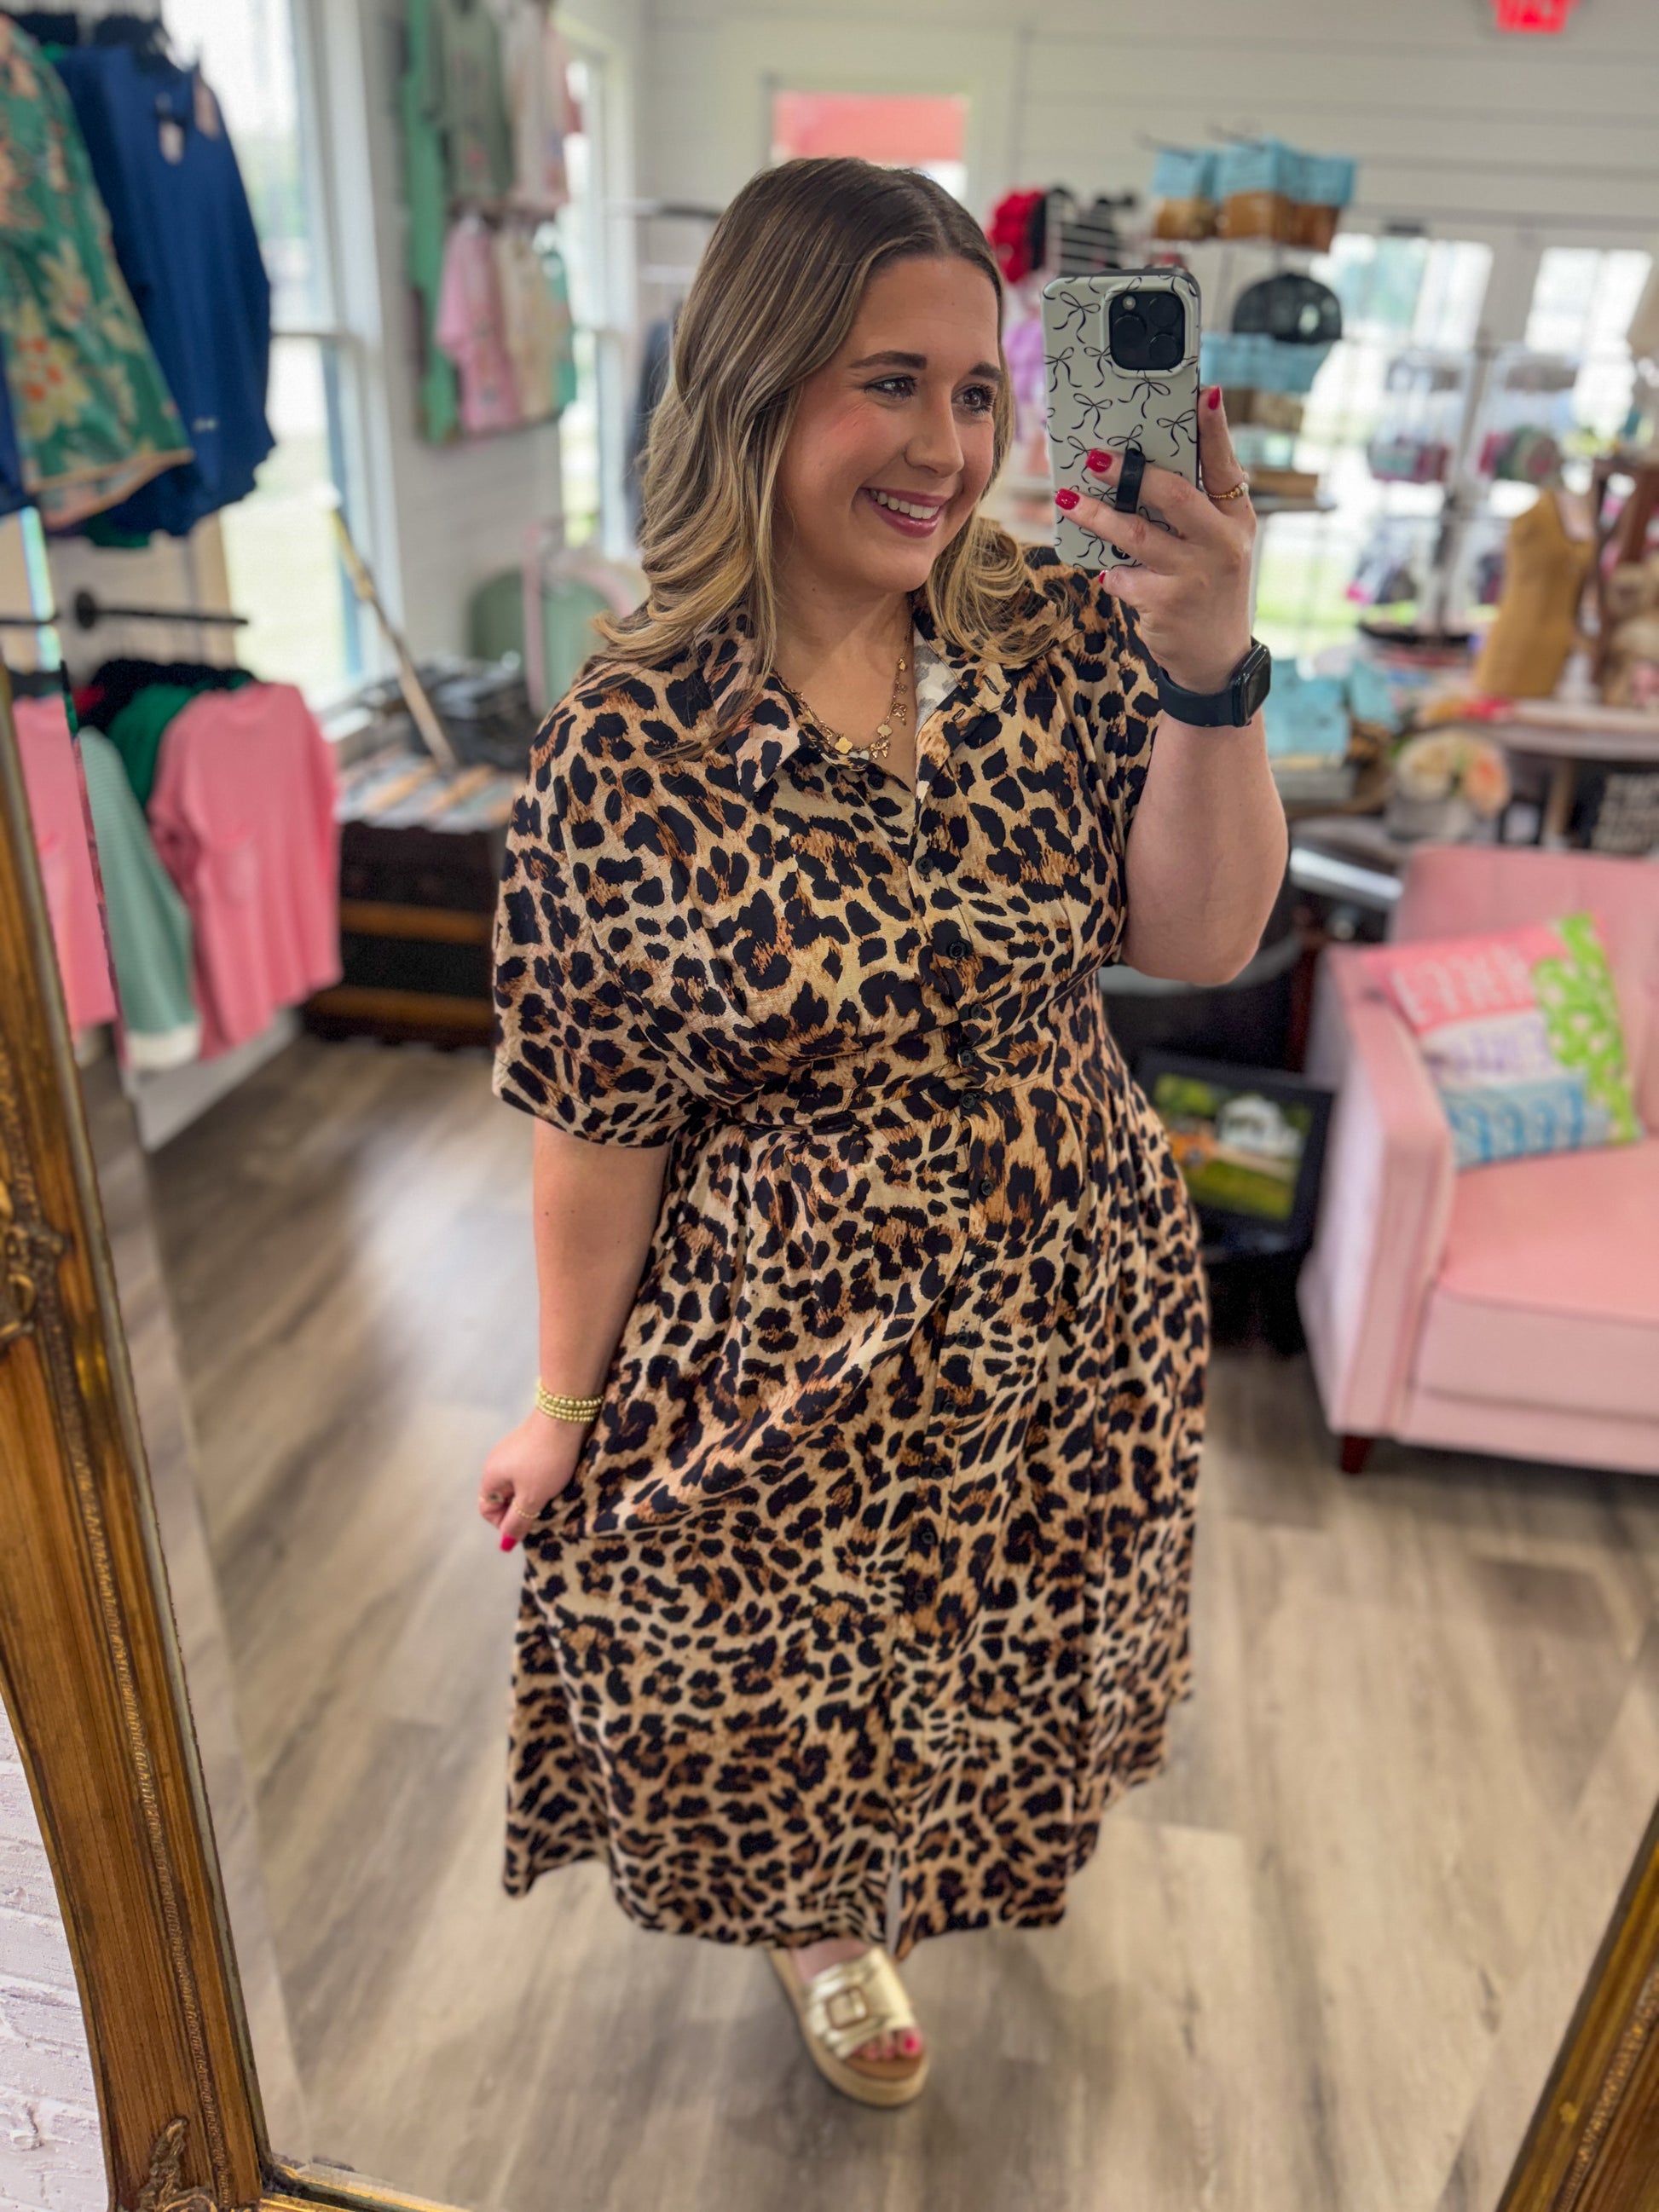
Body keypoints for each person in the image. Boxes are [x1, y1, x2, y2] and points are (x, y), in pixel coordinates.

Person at [479, 155, 1286, 2108]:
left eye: (977, 388)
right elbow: (596, 1114)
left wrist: (1211, 668)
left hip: (1067, 1291)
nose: (947, 446)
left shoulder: (1058, 634)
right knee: (767, 1668)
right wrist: (561, 1402)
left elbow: (1195, 939)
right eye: (889, 383)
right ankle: (823, 1918)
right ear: (757, 384)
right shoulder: (629, 742)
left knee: (991, 1638)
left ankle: (896, 1884)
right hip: (783, 1324)